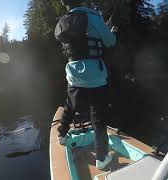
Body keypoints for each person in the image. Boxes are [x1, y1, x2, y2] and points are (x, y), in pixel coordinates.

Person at [54, 0, 117, 170]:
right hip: (96, 77)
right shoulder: (93, 17)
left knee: (70, 103)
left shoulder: (62, 22)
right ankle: (102, 159)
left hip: (73, 76)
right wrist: (108, 29)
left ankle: (61, 135)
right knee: (99, 118)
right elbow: (110, 41)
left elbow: (74, 45)